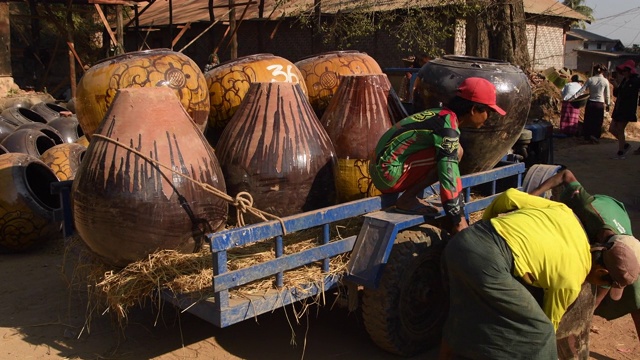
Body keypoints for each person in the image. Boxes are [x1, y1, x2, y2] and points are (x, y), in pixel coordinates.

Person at [439, 188, 640, 360]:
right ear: (602, 270)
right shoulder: (572, 278)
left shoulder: (564, 212)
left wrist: (483, 227)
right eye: (604, 283)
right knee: (540, 333)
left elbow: (508, 196)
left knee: (464, 307)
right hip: (486, 262)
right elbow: (551, 325)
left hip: (463, 241)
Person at [369, 77, 506, 235]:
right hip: (387, 173)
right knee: (451, 156)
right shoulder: (447, 129)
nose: (489, 117)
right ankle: (407, 199)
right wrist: (458, 218)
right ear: (474, 109)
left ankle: (409, 197)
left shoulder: (440, 115)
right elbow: (449, 174)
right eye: (488, 111)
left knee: (454, 151)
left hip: (381, 166)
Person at [530, 168, 640, 343]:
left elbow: (609, 280)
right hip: (604, 208)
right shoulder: (589, 210)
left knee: (636, 295)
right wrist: (532, 196)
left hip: (619, 219)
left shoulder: (624, 253)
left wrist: (586, 315)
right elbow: (565, 175)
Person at [569, 64, 611, 143]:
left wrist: (573, 98)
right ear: (602, 71)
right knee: (598, 121)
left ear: (594, 71)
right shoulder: (605, 81)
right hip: (600, 104)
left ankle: (587, 136)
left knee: (589, 120)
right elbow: (607, 94)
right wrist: (608, 104)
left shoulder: (590, 79)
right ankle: (595, 136)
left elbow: (582, 90)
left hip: (590, 103)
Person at [609, 60, 640, 159]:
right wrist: (615, 85)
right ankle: (625, 145)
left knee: (620, 129)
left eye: (625, 70)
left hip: (627, 108)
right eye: (623, 71)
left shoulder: (635, 81)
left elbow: (628, 94)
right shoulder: (624, 81)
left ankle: (621, 152)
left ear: (630, 71)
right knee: (612, 129)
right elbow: (617, 94)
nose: (623, 73)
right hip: (619, 107)